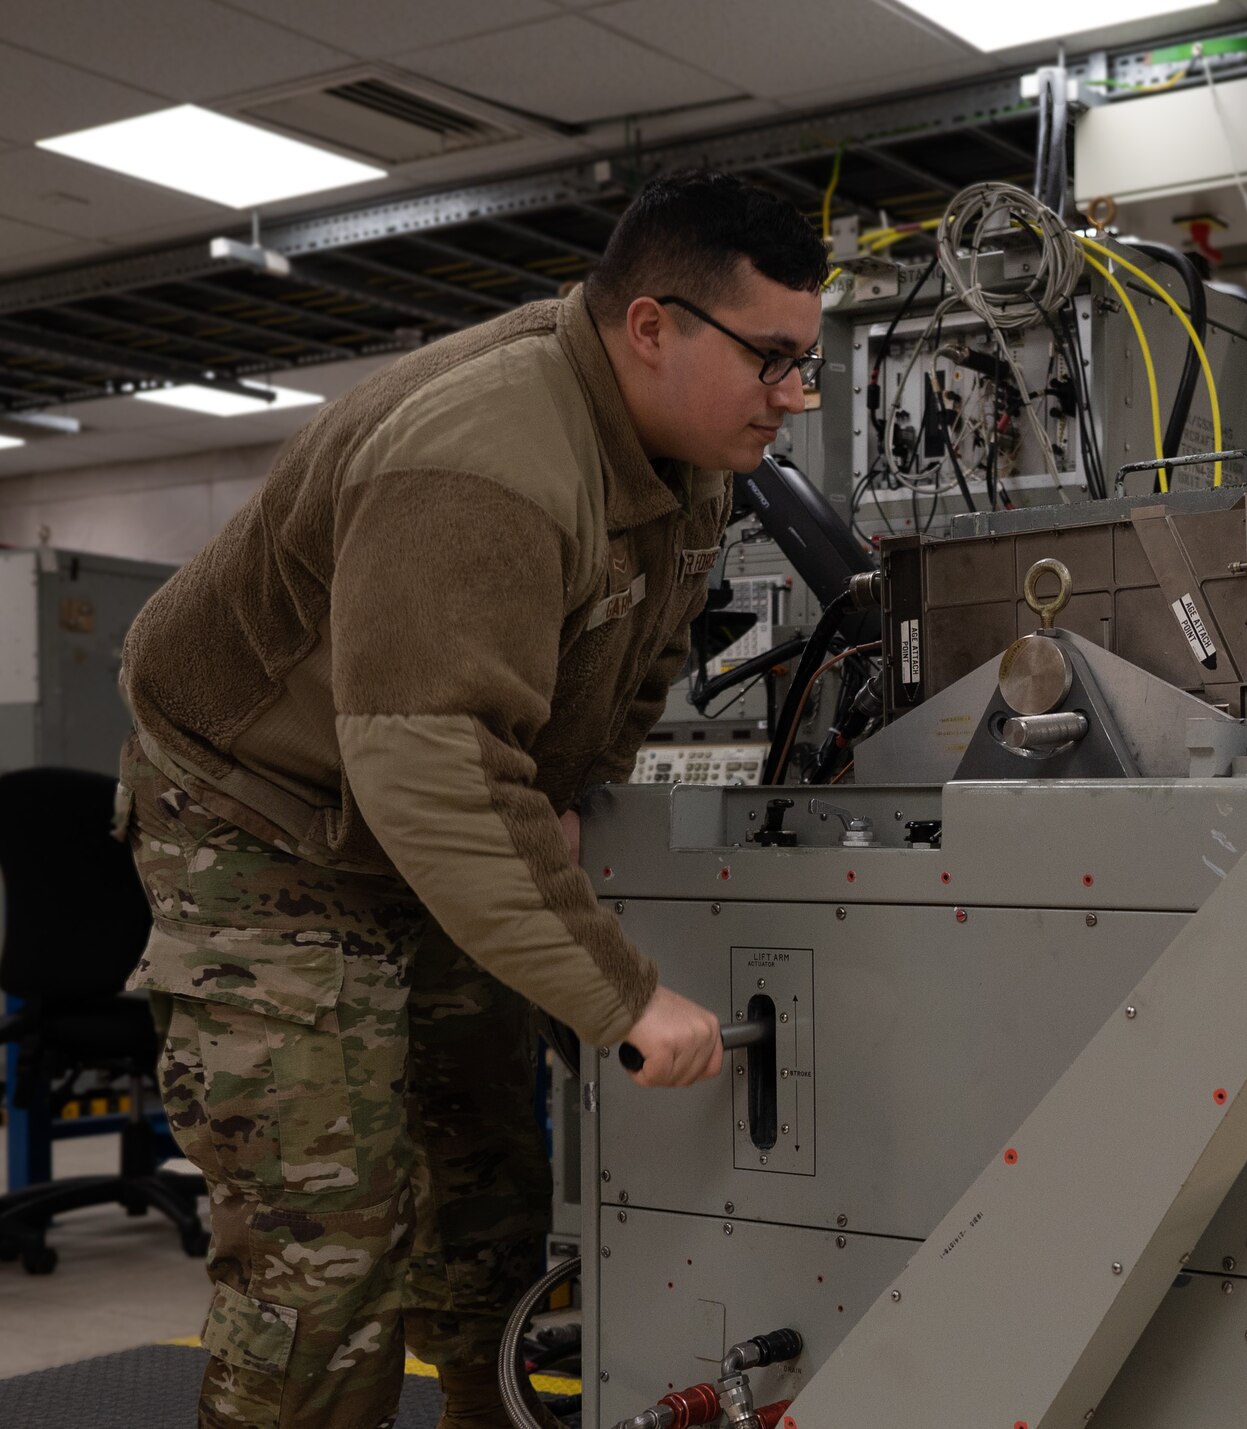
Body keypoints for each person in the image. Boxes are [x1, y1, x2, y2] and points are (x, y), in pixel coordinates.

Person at [114, 169, 827, 1428]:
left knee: (488, 1217)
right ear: (651, 326)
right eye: (771, 359)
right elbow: (426, 767)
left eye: (804, 361)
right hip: (259, 818)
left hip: (408, 804)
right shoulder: (484, 459)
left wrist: (568, 801)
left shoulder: (681, 458)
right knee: (328, 1256)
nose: (795, 396)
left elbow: (633, 666)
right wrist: (621, 992)